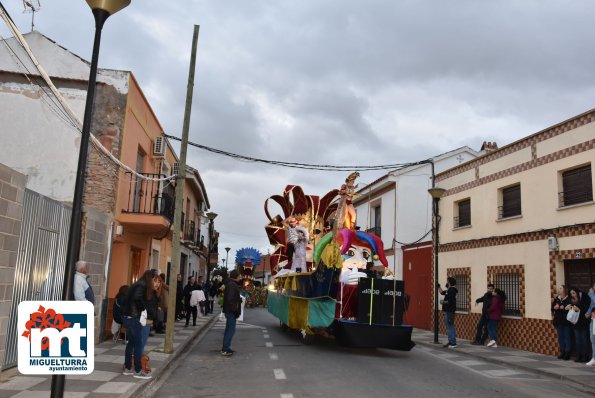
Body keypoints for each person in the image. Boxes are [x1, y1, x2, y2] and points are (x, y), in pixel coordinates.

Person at [122, 269, 155, 379]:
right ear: (150, 278)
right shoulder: (142, 285)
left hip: (128, 316)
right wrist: (143, 309)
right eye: (154, 280)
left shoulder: (137, 284)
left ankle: (127, 368)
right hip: (134, 317)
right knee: (138, 344)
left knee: (131, 343)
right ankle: (137, 370)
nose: (155, 283)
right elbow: (137, 298)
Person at [221, 270, 242, 356]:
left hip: (229, 310)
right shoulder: (232, 285)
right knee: (230, 330)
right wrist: (235, 309)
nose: (240, 277)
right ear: (236, 276)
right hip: (231, 311)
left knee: (229, 329)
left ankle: (227, 347)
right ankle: (225, 349)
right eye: (239, 276)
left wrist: (238, 299)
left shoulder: (230, 284)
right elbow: (230, 299)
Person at [568, 287, 591, 362]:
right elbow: (574, 310)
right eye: (571, 294)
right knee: (578, 340)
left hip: (584, 322)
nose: (573, 295)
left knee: (585, 340)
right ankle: (579, 356)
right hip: (576, 323)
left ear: (577, 292)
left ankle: (586, 356)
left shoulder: (584, 297)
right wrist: (571, 307)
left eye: (574, 293)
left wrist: (577, 308)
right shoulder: (572, 300)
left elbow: (586, 309)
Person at [552, 286, 572, 360]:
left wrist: (563, 308)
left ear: (564, 290)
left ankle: (567, 353)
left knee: (567, 337)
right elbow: (552, 308)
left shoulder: (569, 299)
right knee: (560, 337)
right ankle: (562, 352)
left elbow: (574, 309)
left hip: (566, 322)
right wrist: (555, 307)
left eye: (560, 288)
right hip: (558, 321)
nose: (559, 289)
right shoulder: (557, 299)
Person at [438, 277, 458, 348]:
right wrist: (439, 287)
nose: (446, 283)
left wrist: (442, 302)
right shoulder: (449, 290)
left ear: (449, 282)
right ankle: (450, 341)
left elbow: (450, 301)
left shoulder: (452, 290)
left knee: (450, 326)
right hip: (447, 311)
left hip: (449, 311)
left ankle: (453, 343)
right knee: (449, 327)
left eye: (447, 281)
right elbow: (442, 292)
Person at [587, 282, 595, 366]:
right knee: (592, 338)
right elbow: (591, 306)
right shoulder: (591, 294)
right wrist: (588, 312)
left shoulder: (592, 294)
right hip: (593, 319)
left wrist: (591, 294)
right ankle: (593, 358)